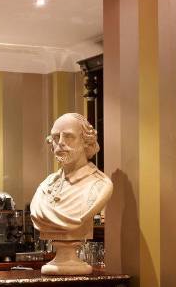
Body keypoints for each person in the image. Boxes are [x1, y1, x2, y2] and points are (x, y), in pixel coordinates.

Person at [29, 113, 113, 275]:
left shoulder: (100, 185)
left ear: (86, 141)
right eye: (55, 137)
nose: (60, 142)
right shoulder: (45, 186)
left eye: (68, 136)